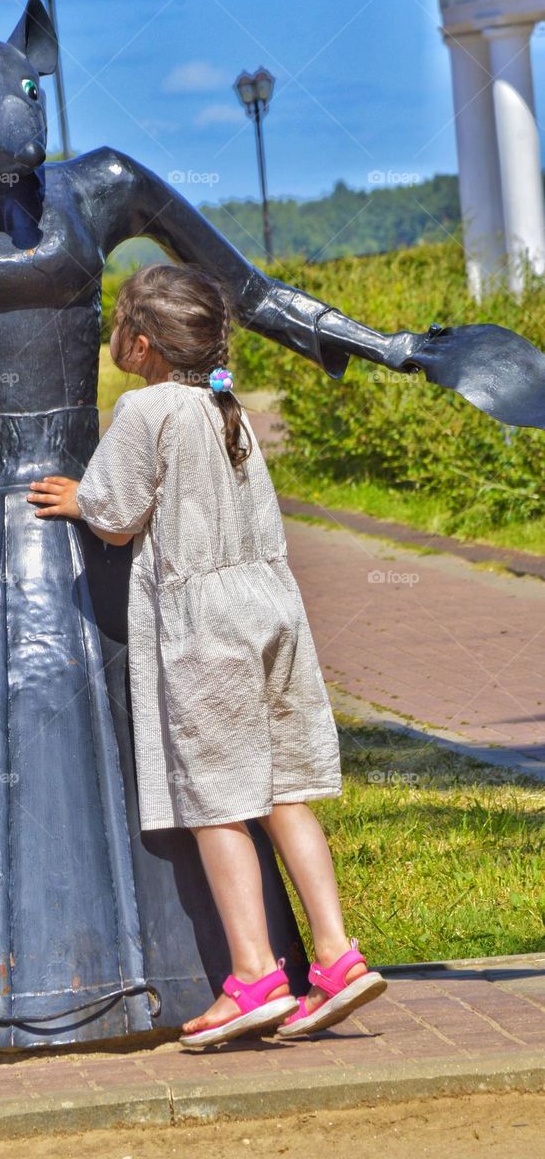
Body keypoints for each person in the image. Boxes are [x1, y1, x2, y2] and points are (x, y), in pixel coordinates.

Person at [26, 263, 388, 1049]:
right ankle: (336, 957)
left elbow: (117, 518)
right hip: (273, 610)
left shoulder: (144, 407)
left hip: (206, 626)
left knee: (216, 799)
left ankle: (253, 974)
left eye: (118, 325)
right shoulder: (228, 407)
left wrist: (77, 498)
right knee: (284, 787)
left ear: (142, 342)